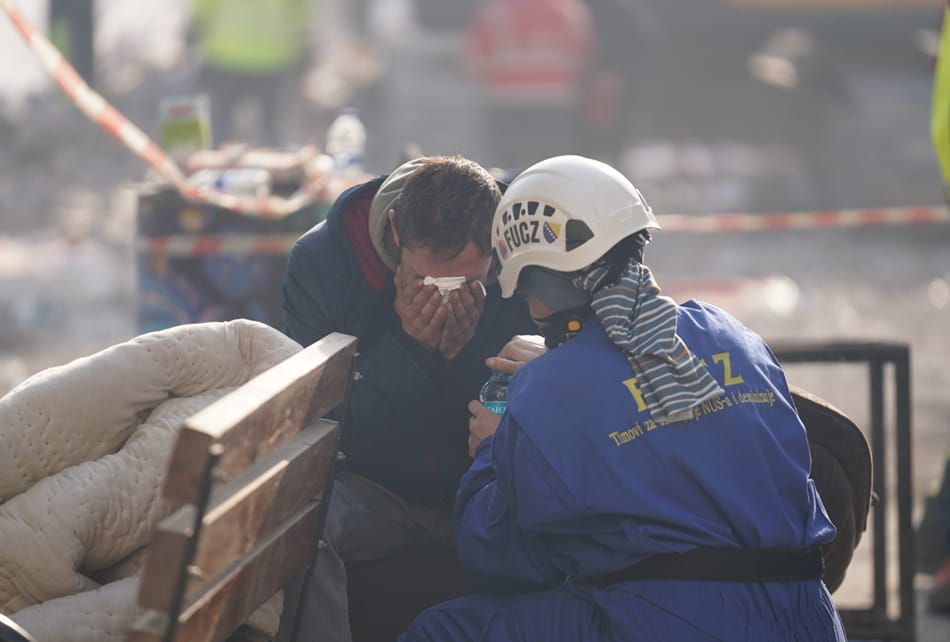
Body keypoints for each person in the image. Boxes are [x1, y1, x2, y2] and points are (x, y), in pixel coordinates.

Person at [401, 155, 846, 641]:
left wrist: (493, 451)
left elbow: (498, 561)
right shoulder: (731, 335)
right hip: (809, 616)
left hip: (668, 623)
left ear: (541, 282)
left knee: (440, 630)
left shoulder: (547, 391)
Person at [278, 155, 535, 641]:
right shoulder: (326, 264)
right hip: (376, 489)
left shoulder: (523, 254)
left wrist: (464, 357)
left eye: (470, 283)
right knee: (303, 521)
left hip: (489, 489)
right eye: (433, 281)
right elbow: (324, 425)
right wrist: (411, 351)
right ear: (396, 234)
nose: (451, 295)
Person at [189, 0, 311, 146]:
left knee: (220, 128)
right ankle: (276, 164)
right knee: (271, 130)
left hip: (227, 54)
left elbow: (203, 8)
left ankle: (214, 164)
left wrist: (193, 33)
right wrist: (303, 45)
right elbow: (298, 12)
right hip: (272, 57)